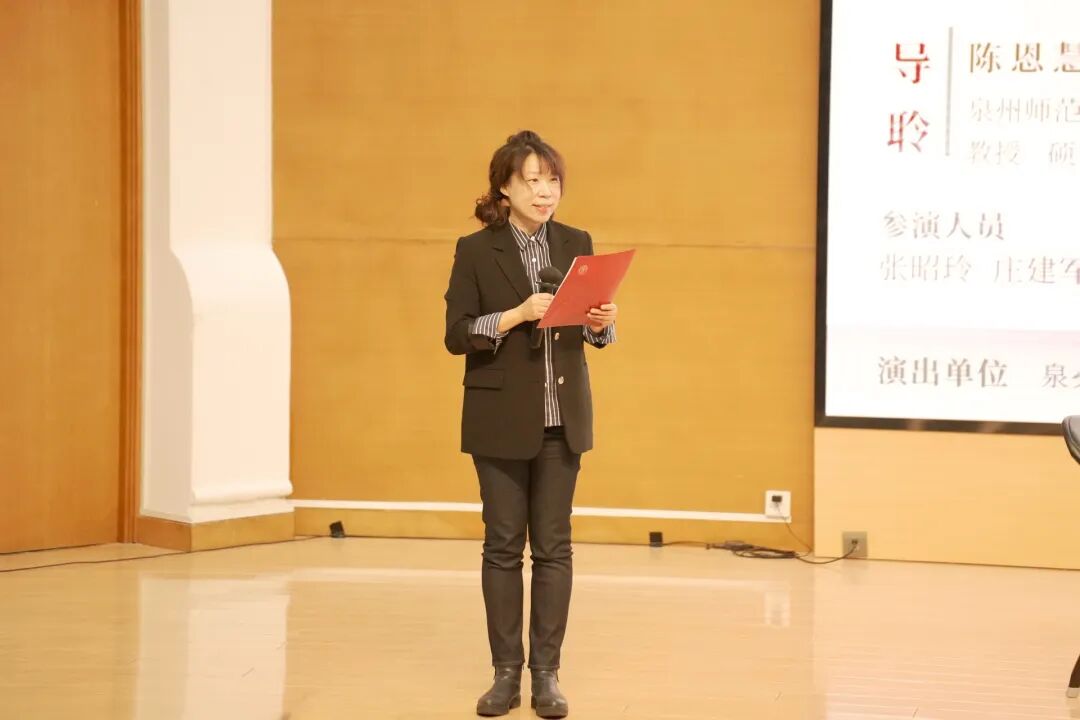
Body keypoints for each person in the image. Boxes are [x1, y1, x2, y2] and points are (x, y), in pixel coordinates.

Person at [443, 130, 618, 718]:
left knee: (554, 548)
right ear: (504, 188)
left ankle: (547, 675)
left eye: (553, 181)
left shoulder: (576, 243)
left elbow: (591, 332)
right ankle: (504, 675)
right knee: (501, 548)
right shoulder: (476, 249)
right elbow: (456, 334)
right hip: (498, 418)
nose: (546, 192)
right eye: (533, 181)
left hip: (561, 420)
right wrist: (516, 315)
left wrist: (601, 323)